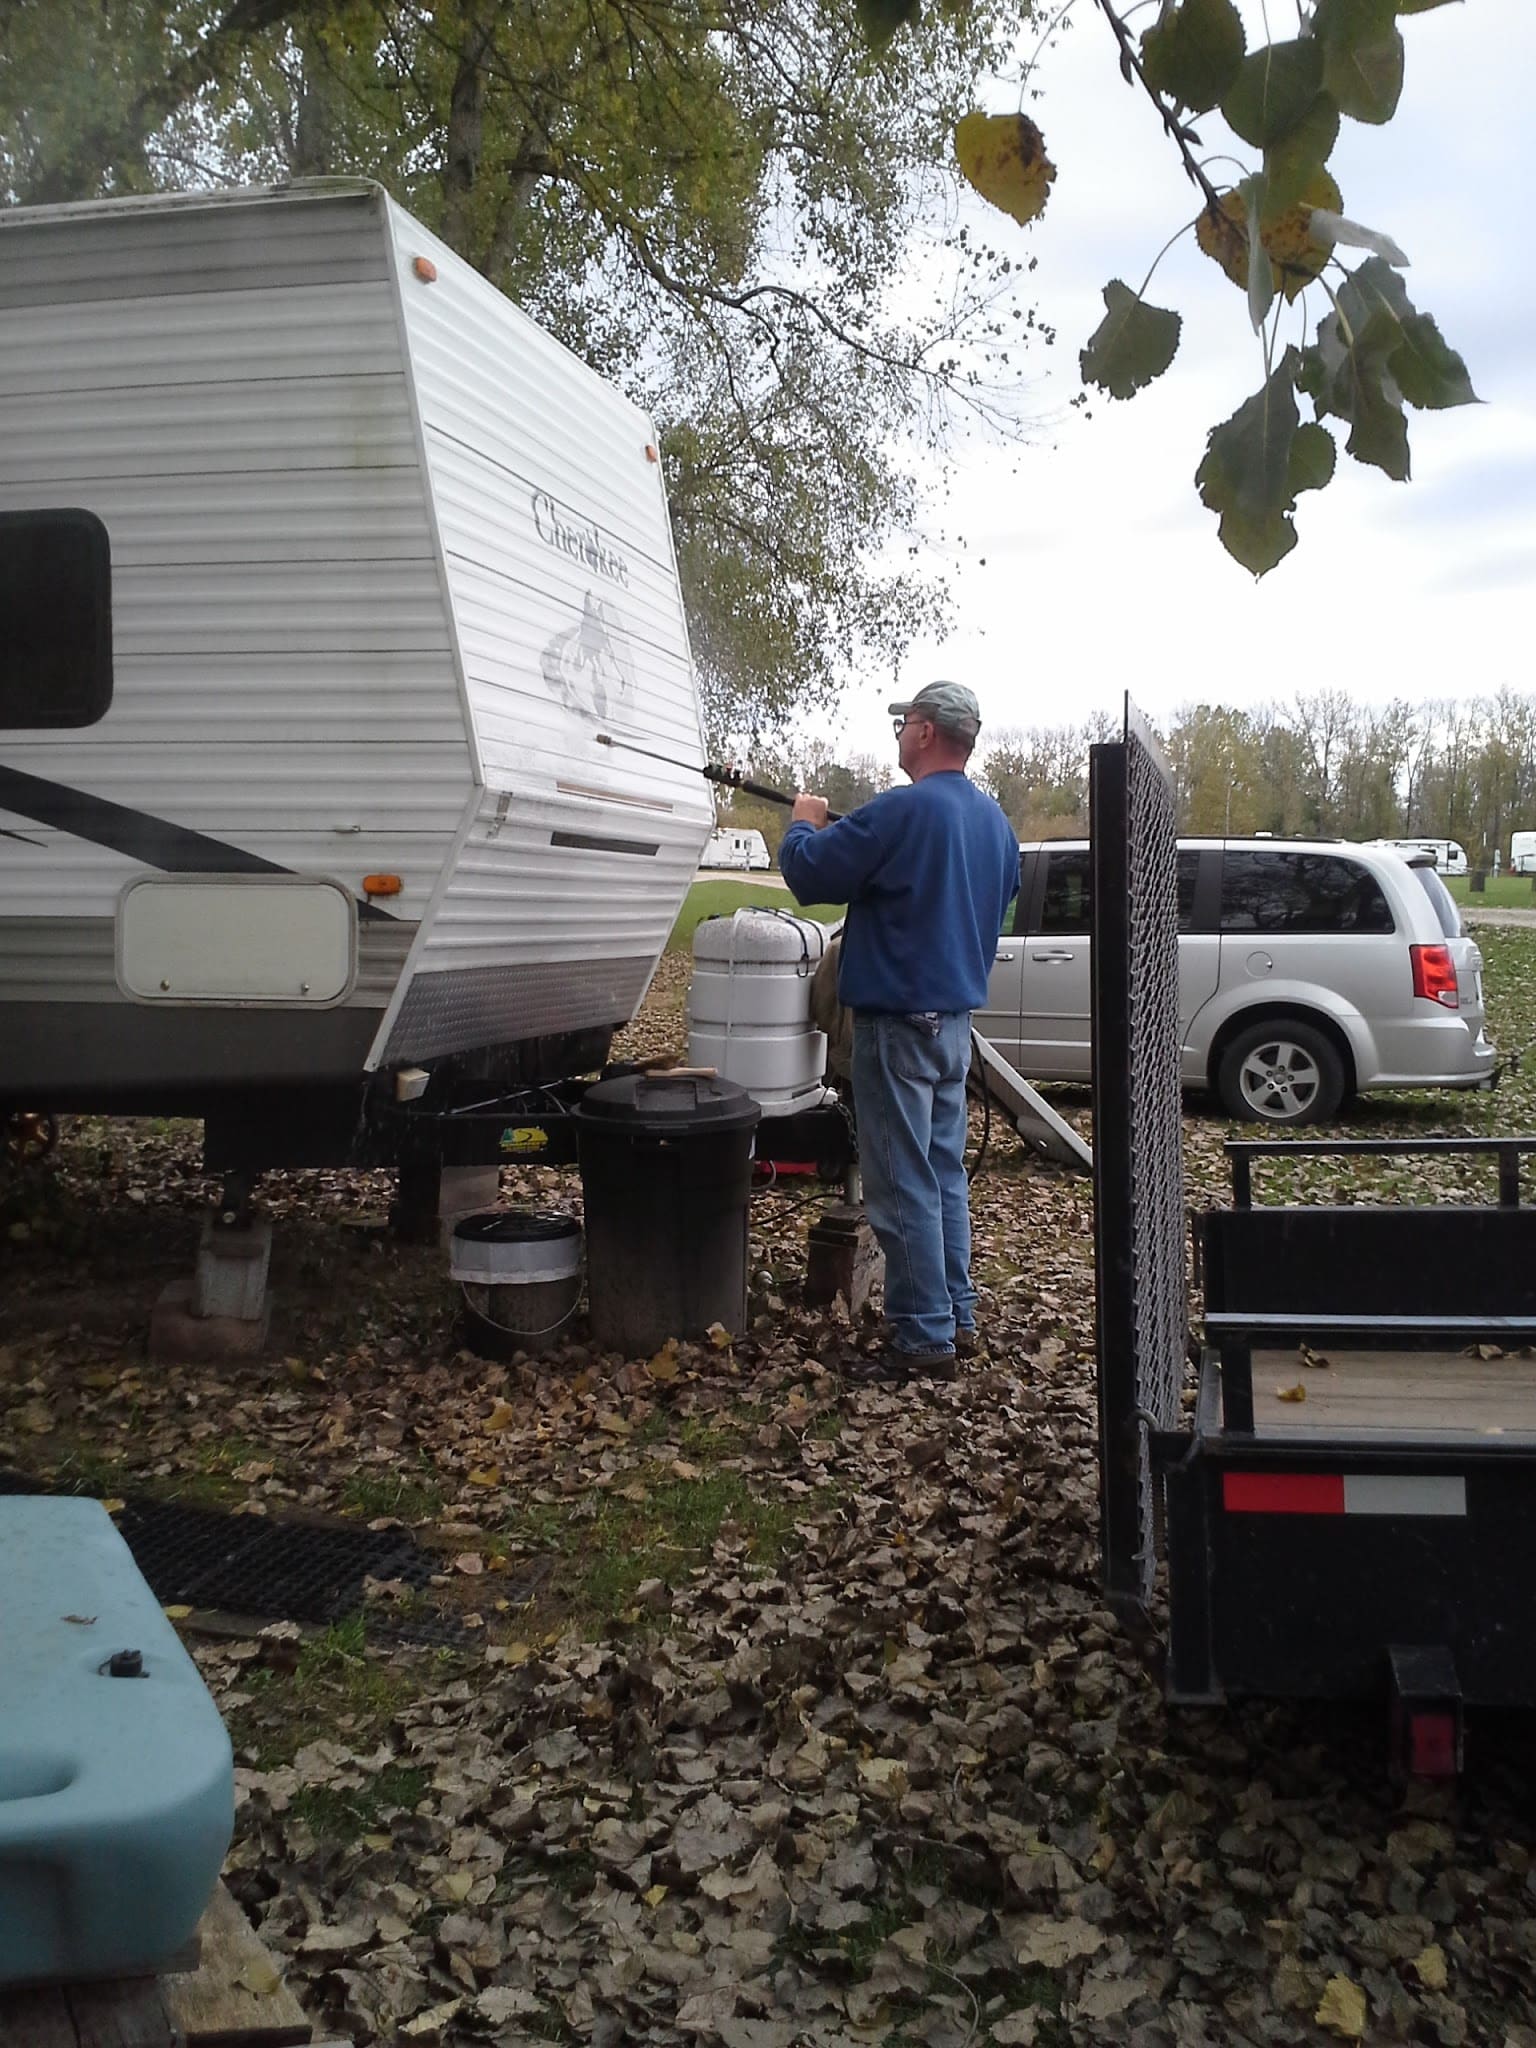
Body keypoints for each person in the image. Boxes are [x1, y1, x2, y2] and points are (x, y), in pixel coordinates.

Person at [779, 681, 1019, 1383]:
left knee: (902, 1184)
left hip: (896, 1030)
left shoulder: (901, 811)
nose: (898, 736)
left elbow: (806, 874)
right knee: (943, 1178)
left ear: (921, 731)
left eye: (902, 724)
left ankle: (921, 1340)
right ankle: (957, 1315)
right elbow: (992, 901)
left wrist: (803, 821)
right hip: (953, 1031)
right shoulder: (996, 826)